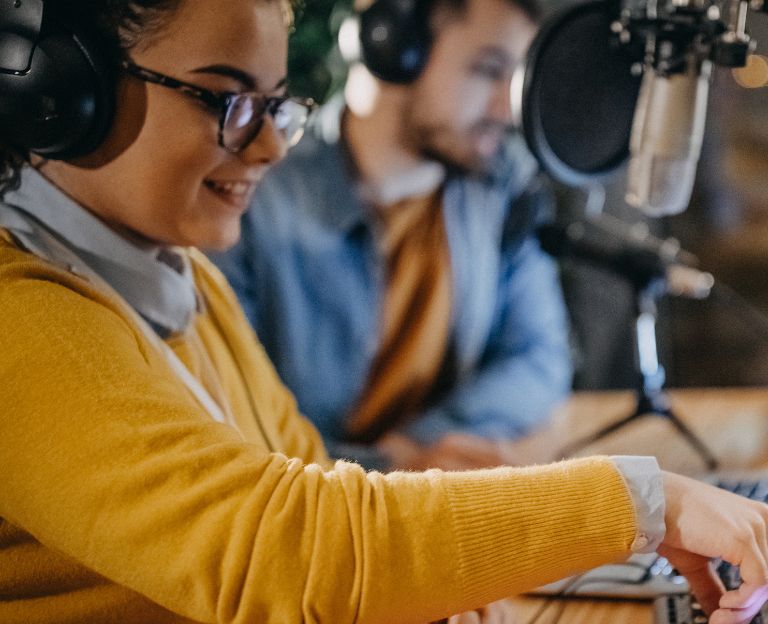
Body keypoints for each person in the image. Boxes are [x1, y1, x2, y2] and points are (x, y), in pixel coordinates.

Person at [0, 1, 768, 624]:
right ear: (59, 89)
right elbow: (289, 546)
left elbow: (299, 469)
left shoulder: (181, 273)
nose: (266, 144)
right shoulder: (18, 319)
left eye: (273, 106)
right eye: (225, 100)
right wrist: (639, 501)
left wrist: (413, 586)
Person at [210, 0, 570, 473]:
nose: (507, 108)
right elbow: (230, 425)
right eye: (488, 70)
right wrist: (382, 468)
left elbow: (541, 358)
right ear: (396, 46)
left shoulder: (499, 190)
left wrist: (420, 449)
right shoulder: (253, 200)